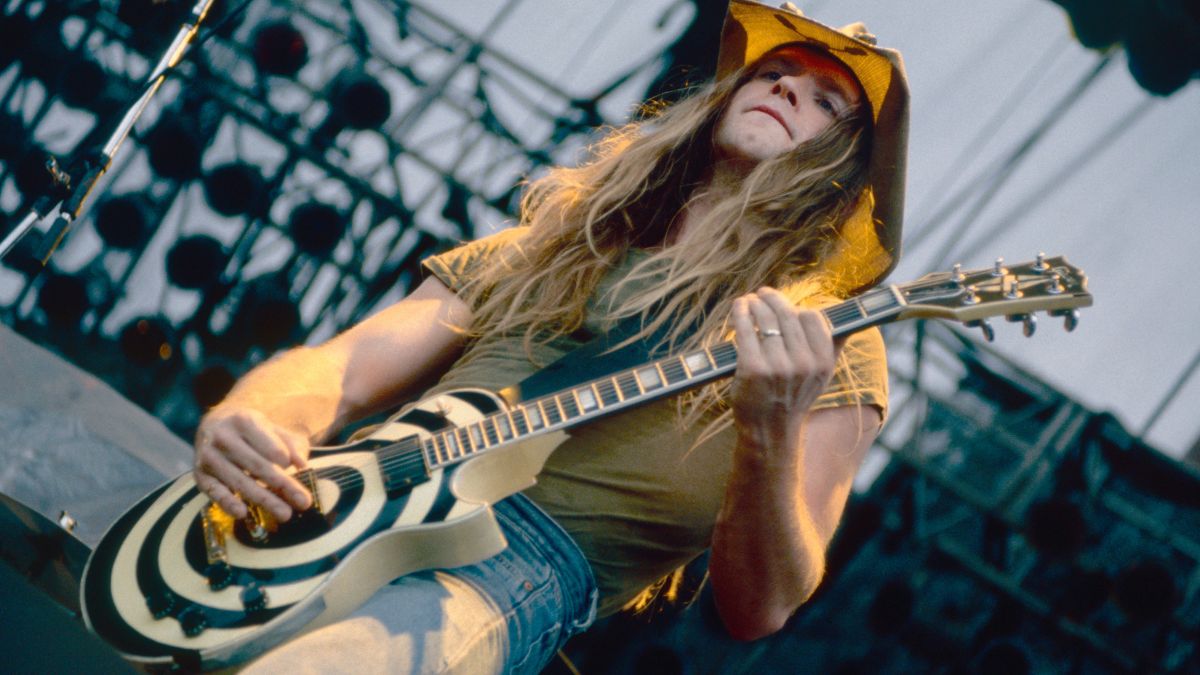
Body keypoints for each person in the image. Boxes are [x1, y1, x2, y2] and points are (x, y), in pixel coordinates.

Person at [192, 1, 909, 672]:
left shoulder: (831, 340)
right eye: (772, 73)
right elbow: (343, 365)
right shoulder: (555, 245)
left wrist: (772, 428)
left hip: (510, 570)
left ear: (843, 179)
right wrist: (259, 413)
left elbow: (765, 603)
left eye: (826, 102)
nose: (786, 89)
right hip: (354, 500)